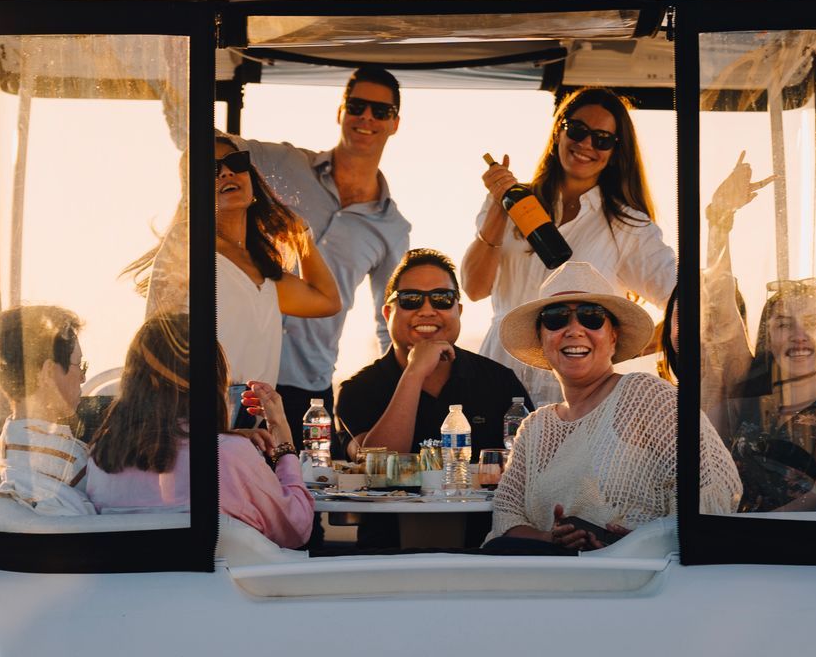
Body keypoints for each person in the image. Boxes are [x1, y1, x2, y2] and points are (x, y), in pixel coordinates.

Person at [483, 262, 739, 553]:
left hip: (641, 575)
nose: (574, 330)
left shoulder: (645, 395)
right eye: (556, 319)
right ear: (542, 339)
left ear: (613, 337)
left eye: (591, 317)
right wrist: (550, 540)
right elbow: (505, 515)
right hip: (553, 576)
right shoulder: (534, 427)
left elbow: (715, 487)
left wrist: (637, 542)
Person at [463, 88, 676, 408]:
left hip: (576, 385)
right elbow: (474, 288)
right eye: (577, 130)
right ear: (558, 132)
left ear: (616, 151)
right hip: (498, 371)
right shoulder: (513, 200)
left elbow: (679, 296)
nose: (587, 144)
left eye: (602, 139)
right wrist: (500, 203)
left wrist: (638, 345)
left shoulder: (628, 226)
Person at [703, 153, 816, 513]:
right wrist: (719, 221)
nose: (799, 335)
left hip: (797, 546)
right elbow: (720, 307)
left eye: (813, 323)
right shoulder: (745, 401)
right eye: (784, 324)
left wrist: (736, 532)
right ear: (768, 339)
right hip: (723, 543)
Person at [239, 67, 412, 441]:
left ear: (395, 123)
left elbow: (390, 319)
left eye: (381, 111)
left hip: (307, 386)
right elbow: (211, 144)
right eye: (357, 106)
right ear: (341, 112)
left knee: (301, 479)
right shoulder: (285, 164)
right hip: (238, 368)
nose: (367, 118)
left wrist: (399, 395)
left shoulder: (393, 227)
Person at [131, 134, 343, 391]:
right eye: (212, 168)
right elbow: (155, 342)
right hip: (200, 413)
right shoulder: (187, 244)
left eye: (236, 162)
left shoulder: (263, 273)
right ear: (193, 192)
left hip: (253, 416)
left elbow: (327, 301)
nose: (226, 172)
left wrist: (300, 233)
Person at [85, 314, 312, 548]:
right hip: (226, 572)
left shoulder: (102, 458)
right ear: (212, 379)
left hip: (135, 572)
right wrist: (282, 437)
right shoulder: (227, 455)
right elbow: (296, 528)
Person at [336, 249, 533, 455]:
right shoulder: (358, 390)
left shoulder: (499, 382)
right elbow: (379, 463)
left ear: (459, 311)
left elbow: (534, 460)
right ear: (388, 314)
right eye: (411, 298)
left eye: (441, 298)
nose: (427, 311)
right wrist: (414, 374)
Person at [0, 304, 95, 516]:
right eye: (79, 365)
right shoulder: (73, 462)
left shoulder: (5, 445)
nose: (83, 377)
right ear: (48, 372)